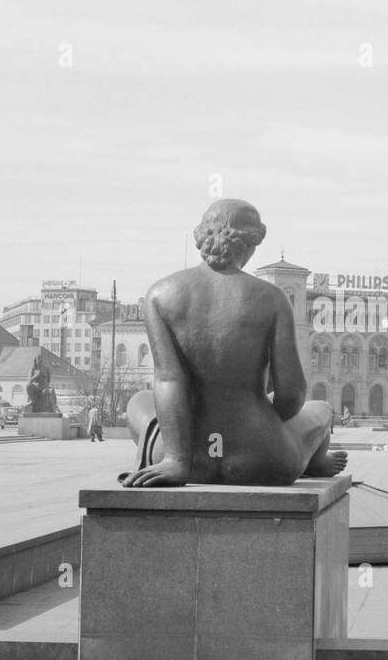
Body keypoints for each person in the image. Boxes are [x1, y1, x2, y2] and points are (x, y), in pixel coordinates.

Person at [120, 199, 346, 487]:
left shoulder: (160, 294)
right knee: (321, 409)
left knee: (138, 401)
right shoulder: (272, 298)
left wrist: (176, 461)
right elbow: (291, 394)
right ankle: (315, 461)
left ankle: (172, 458)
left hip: (190, 458)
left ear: (201, 237)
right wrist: (261, 421)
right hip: (264, 457)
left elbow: (168, 380)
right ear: (250, 245)